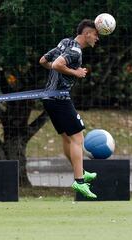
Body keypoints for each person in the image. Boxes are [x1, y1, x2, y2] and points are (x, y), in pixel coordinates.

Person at [39, 19, 99, 199]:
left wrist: (59, 72)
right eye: (96, 35)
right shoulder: (75, 51)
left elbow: (43, 61)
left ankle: (79, 171)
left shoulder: (66, 42)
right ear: (87, 33)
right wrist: (76, 73)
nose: (97, 38)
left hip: (48, 98)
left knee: (67, 137)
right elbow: (57, 65)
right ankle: (79, 181)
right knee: (78, 137)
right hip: (60, 99)